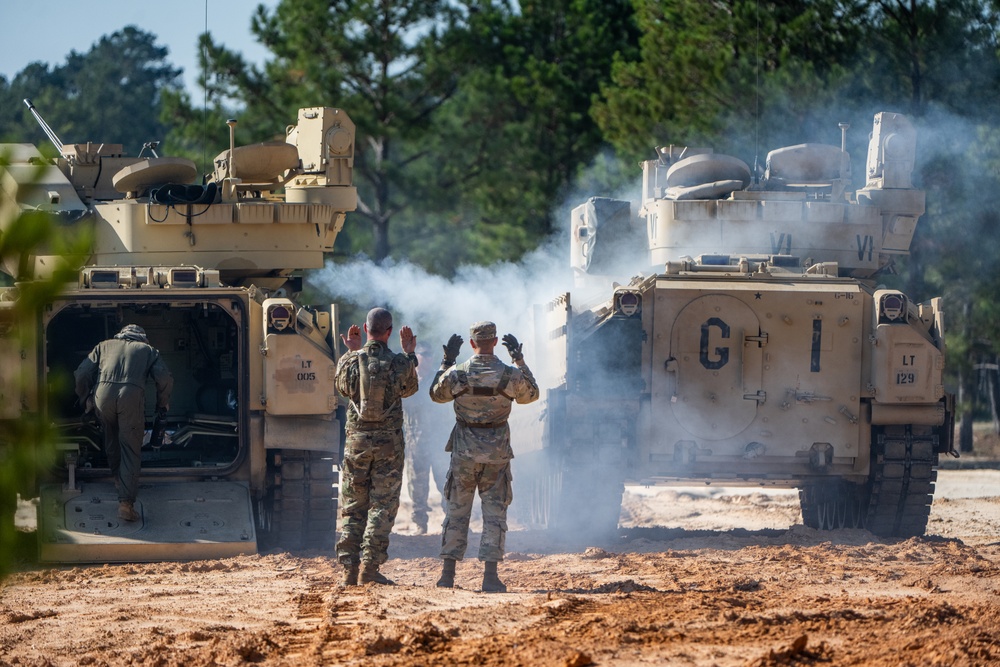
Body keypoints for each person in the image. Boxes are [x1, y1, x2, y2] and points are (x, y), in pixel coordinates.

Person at [430, 321, 539, 593]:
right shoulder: (510, 374)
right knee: (494, 514)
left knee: (457, 512)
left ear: (472, 343)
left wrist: (446, 361)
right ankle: (490, 577)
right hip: (496, 454)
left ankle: (447, 575)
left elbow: (436, 395)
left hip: (464, 453)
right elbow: (532, 394)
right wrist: (520, 360)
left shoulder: (459, 373)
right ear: (496, 341)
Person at [335, 307, 418, 586]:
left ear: (365, 329)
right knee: (382, 506)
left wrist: (351, 351)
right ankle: (369, 568)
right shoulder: (399, 362)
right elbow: (410, 389)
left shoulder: (350, 361)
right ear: (390, 332)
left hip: (356, 444)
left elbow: (341, 388)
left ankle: (348, 570)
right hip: (388, 447)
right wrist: (408, 353)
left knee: (353, 505)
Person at [73, 324, 173, 522]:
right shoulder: (148, 350)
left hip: (102, 396)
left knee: (111, 438)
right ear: (142, 339)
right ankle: (126, 504)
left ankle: (119, 479)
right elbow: (165, 378)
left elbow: (82, 373)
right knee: (130, 447)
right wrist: (162, 404)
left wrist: (86, 398)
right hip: (130, 397)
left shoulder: (103, 346)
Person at [403, 342, 451, 534]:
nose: (429, 358)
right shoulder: (409, 381)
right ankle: (419, 524)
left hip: (438, 442)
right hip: (416, 443)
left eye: (431, 355)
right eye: (425, 354)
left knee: (445, 483)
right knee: (417, 487)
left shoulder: (437, 379)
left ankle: (449, 523)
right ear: (417, 357)